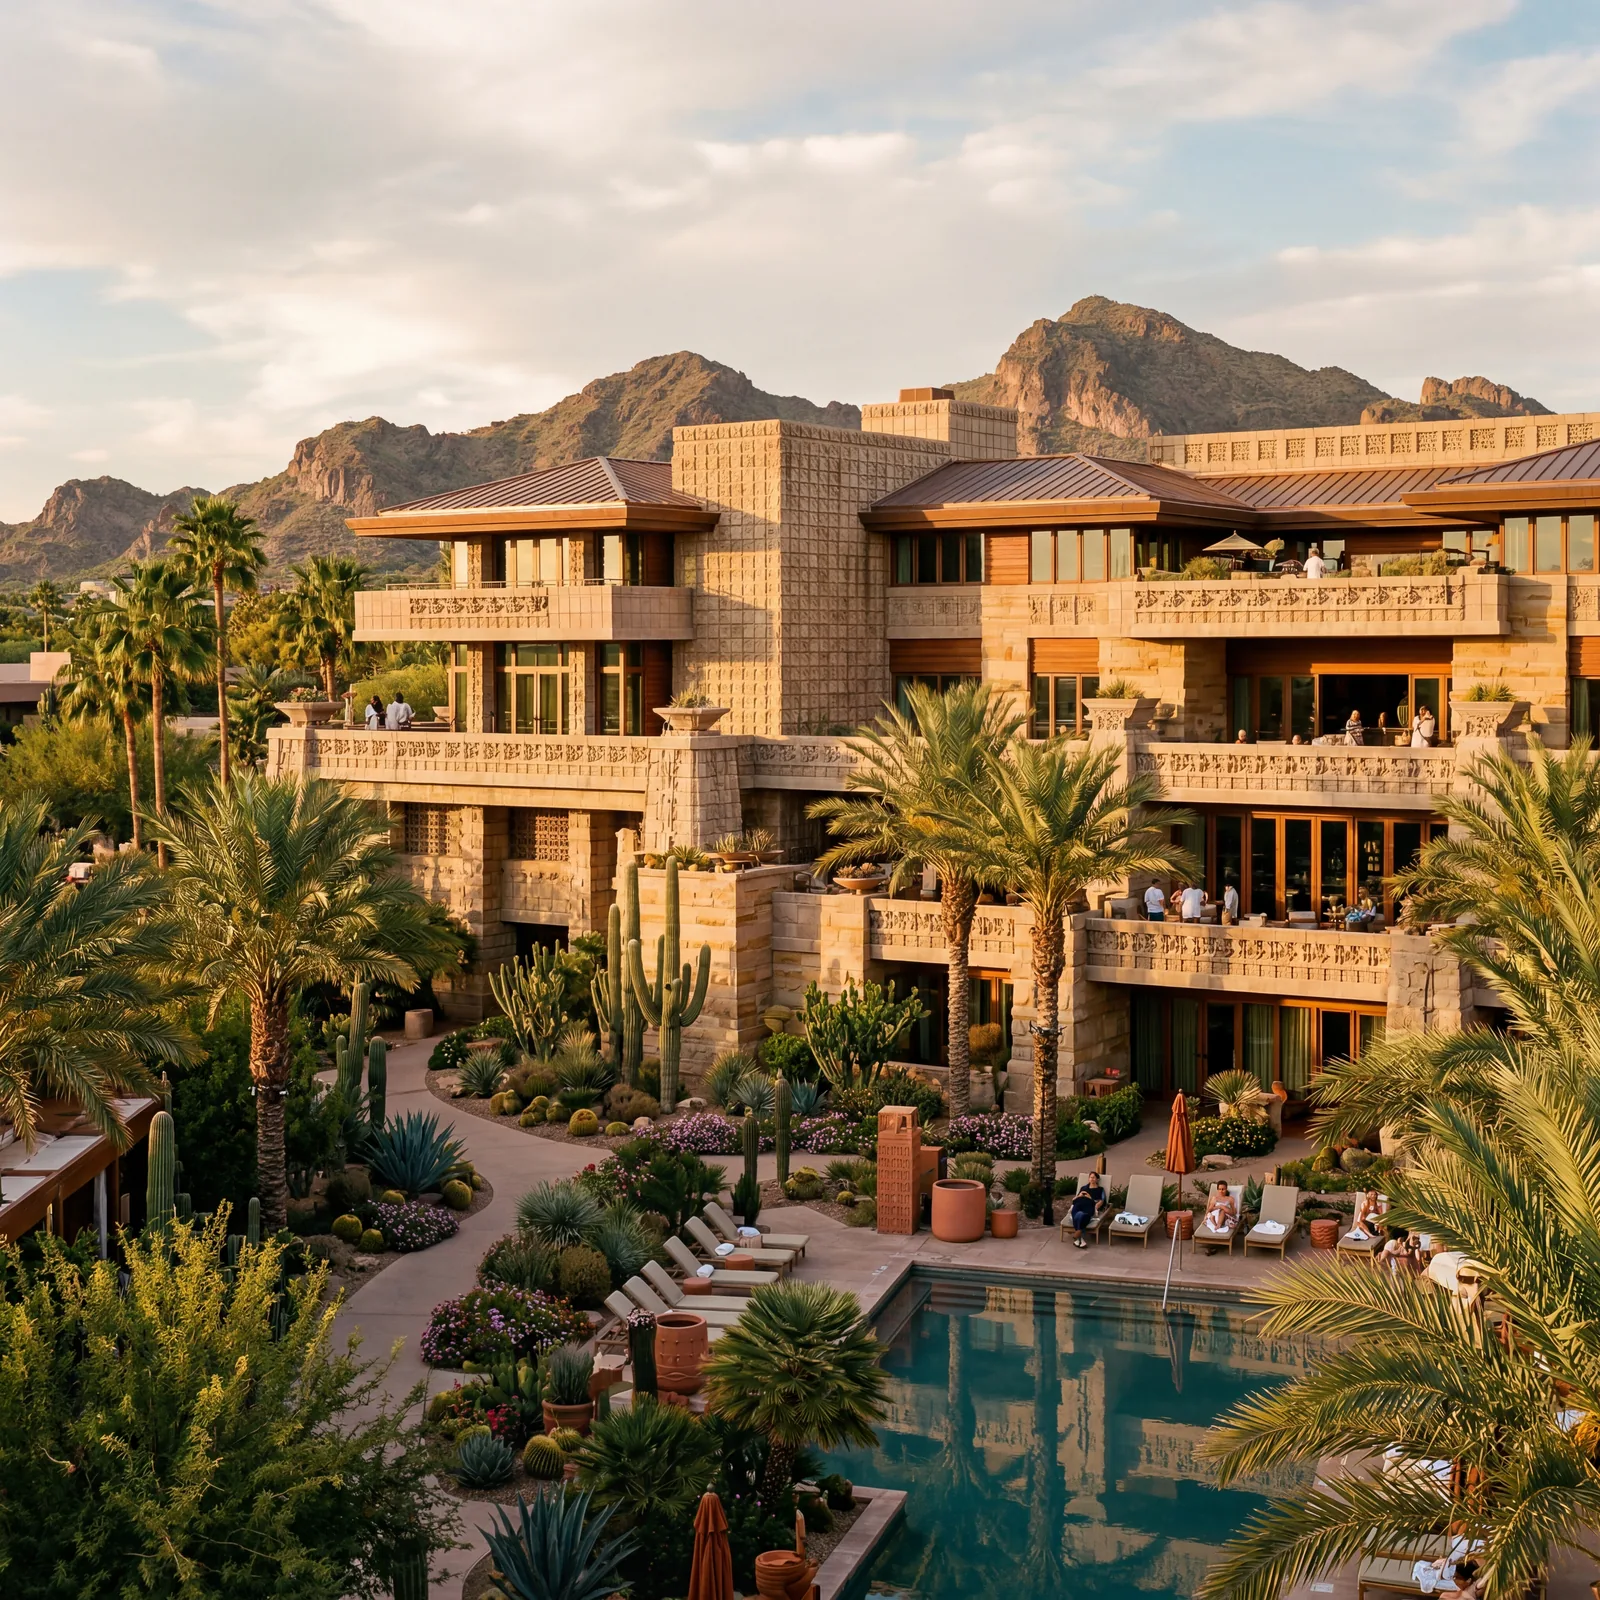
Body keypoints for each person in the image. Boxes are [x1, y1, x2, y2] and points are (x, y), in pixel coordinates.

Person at [1068, 1176, 1106, 1249]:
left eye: (1094, 1177)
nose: (1092, 1179)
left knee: (1081, 1215)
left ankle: (1078, 1235)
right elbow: (1073, 1200)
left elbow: (1101, 1201)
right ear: (1088, 1179)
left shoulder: (1100, 1189)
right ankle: (1079, 1233)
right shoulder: (1083, 1188)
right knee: (1078, 1214)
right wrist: (1079, 1195)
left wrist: (1090, 1198)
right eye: (1090, 1177)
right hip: (1078, 1203)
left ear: (1097, 1179)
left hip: (1089, 1205)